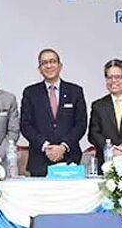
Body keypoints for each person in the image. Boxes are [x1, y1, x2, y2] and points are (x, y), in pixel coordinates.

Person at [20, 49, 87, 177]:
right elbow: (25, 125)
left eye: (52, 61)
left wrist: (63, 147)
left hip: (69, 159)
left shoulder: (75, 91)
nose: (49, 66)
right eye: (44, 63)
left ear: (60, 65)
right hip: (39, 160)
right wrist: (46, 146)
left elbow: (81, 124)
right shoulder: (30, 93)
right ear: (39, 69)